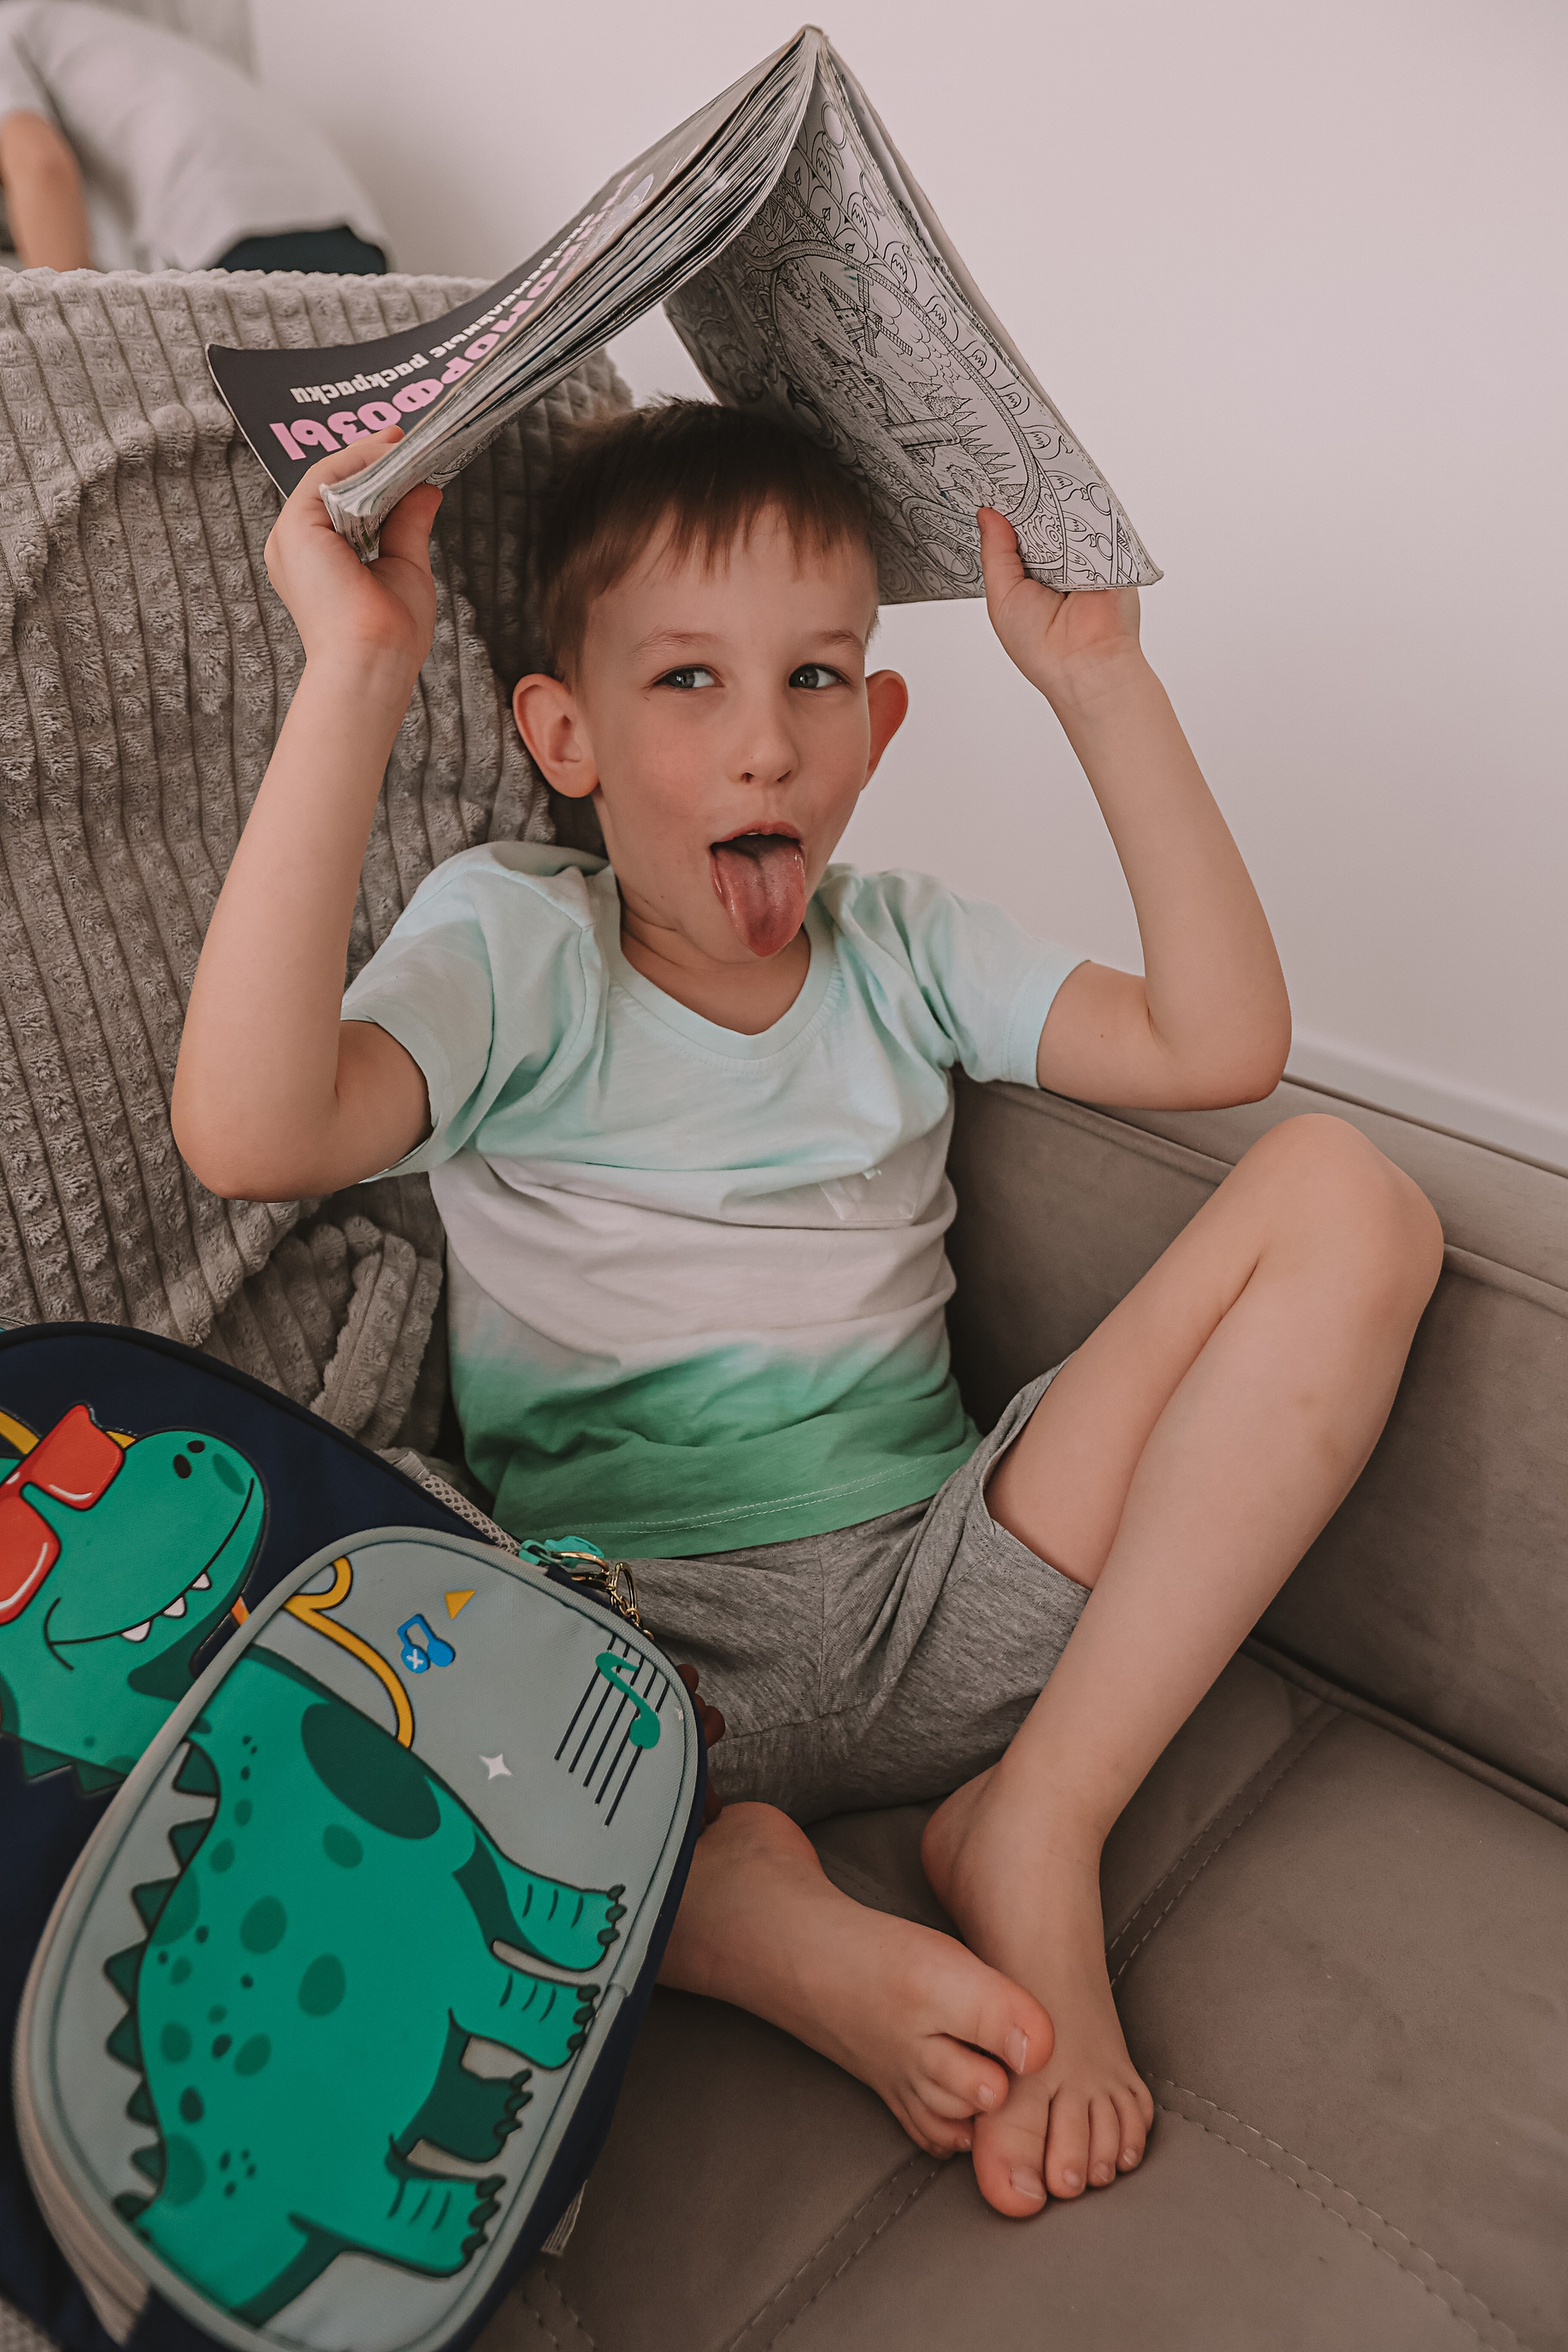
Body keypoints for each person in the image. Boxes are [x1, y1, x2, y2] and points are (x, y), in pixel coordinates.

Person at [172, 403, 1443, 2219]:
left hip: (945, 1595)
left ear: (878, 725)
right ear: (566, 736)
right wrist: (358, 671)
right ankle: (731, 1903)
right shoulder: (516, 945)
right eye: (687, 679)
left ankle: (1039, 1819)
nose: (766, 739)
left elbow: (1218, 1039)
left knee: (1347, 1196)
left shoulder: (903, 945)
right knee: (358, 1648)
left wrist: (1099, 684)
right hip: (635, 1653)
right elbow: (249, 1130)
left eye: (817, 678)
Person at [0, 0, 385, 274]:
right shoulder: (86, 30)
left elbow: (39, 166)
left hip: (228, 225)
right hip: (350, 231)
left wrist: (65, 328)